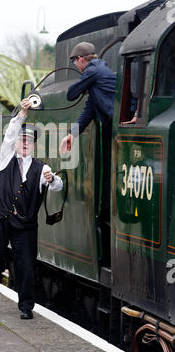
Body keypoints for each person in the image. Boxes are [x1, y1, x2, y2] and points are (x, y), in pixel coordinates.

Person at [0, 98, 63, 320]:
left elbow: (58, 186)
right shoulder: (6, 158)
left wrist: (52, 180)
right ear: (15, 143)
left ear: (33, 145)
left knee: (26, 265)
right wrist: (22, 113)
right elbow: (11, 132)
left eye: (28, 141)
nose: (24, 143)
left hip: (25, 225)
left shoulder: (43, 168)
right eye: (21, 140)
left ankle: (25, 306)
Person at [59, 42, 116, 224]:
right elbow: (89, 109)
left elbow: (70, 94)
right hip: (112, 128)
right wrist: (72, 134)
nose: (76, 66)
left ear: (80, 59)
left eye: (75, 62)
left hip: (117, 127)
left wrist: (83, 85)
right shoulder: (99, 71)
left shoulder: (93, 70)